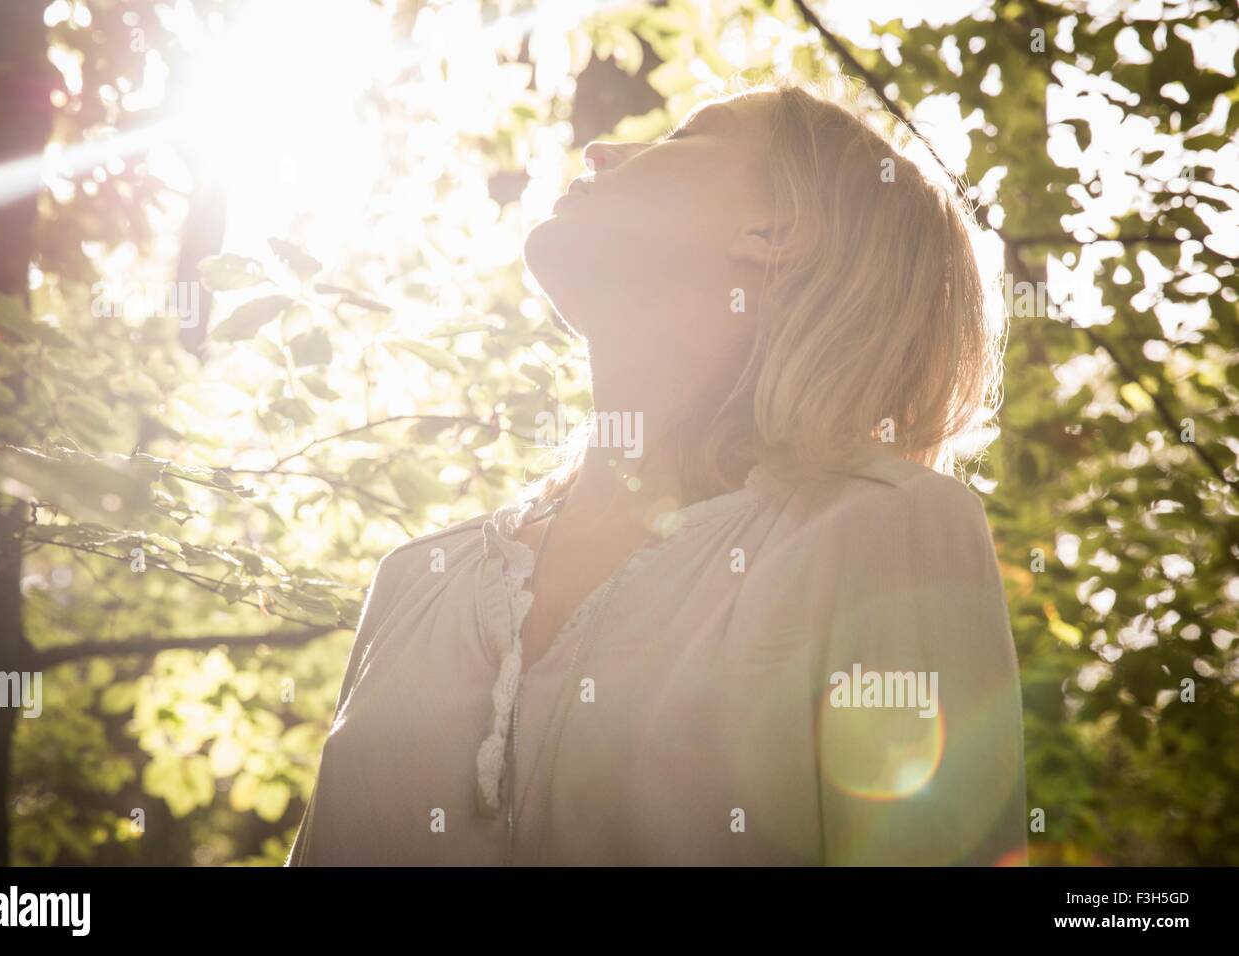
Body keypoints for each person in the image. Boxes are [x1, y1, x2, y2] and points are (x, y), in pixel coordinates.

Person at [287, 79, 1027, 866]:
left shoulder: (885, 529)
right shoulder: (414, 581)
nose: (598, 151)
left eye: (682, 137)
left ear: (775, 229)